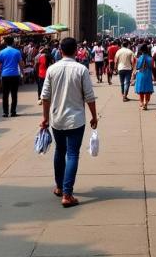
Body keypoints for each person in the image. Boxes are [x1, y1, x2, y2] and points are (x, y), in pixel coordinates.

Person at [40, 36, 98, 209]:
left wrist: (45, 118)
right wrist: (94, 116)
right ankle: (67, 193)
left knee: (59, 151)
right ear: (75, 50)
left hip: (57, 118)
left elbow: (45, 96)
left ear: (60, 50)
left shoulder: (52, 69)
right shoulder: (81, 69)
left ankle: (59, 187)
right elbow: (89, 96)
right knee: (72, 154)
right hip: (76, 119)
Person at [0, 36, 25, 117]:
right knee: (14, 94)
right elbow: (21, 64)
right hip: (14, 75)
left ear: (5, 43)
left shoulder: (2, 52)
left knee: (5, 95)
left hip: (5, 75)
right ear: (13, 42)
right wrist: (23, 73)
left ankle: (5, 112)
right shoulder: (17, 52)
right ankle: (13, 112)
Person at [134, 44, 153, 109]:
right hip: (148, 74)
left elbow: (137, 67)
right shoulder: (150, 58)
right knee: (147, 90)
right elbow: (152, 67)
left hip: (140, 75)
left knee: (141, 90)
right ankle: (146, 102)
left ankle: (142, 103)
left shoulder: (139, 58)